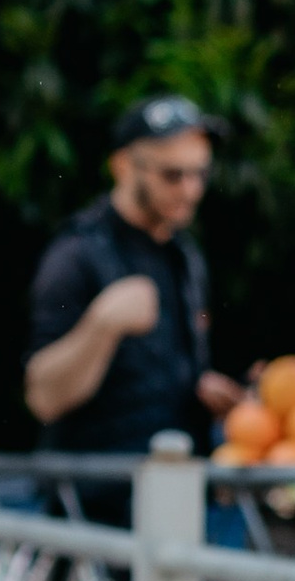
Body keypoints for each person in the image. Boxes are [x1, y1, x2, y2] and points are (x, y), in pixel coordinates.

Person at [23, 97, 245, 454]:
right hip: (95, 498)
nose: (191, 190)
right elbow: (43, 398)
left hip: (176, 485)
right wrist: (101, 325)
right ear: (124, 166)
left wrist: (201, 388)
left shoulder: (184, 254)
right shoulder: (76, 254)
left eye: (200, 174)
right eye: (172, 175)